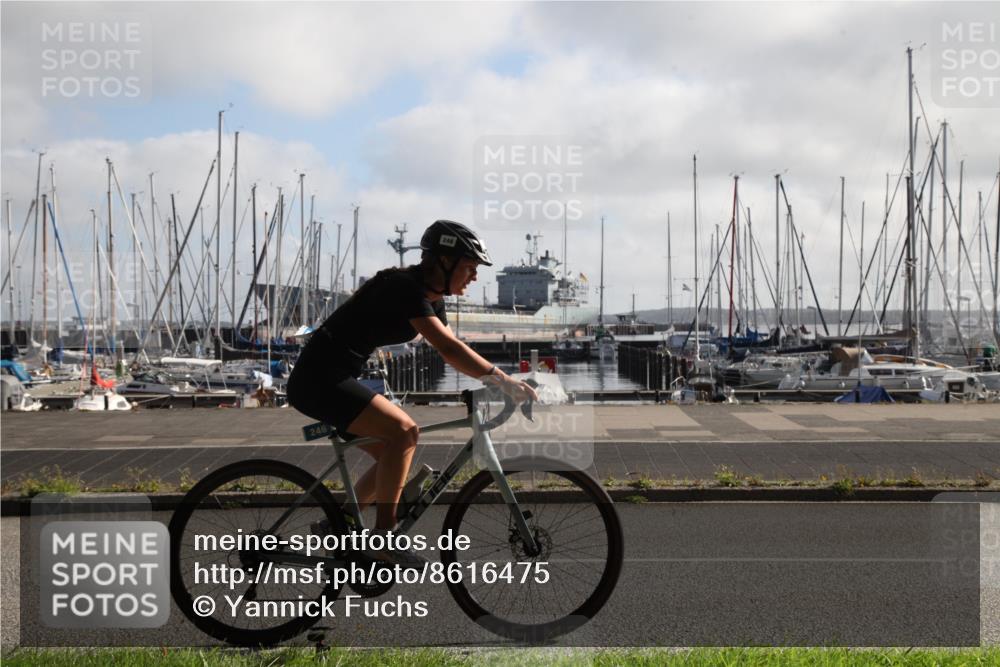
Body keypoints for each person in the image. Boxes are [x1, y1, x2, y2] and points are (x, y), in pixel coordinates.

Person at [287, 220, 538, 566]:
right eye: (469, 267)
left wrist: (493, 381)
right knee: (405, 432)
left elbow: (451, 348)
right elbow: (448, 348)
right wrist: (503, 380)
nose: (474, 276)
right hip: (319, 379)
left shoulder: (432, 300)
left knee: (394, 455)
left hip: (337, 376)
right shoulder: (405, 289)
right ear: (443, 262)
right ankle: (385, 539)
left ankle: (336, 524)